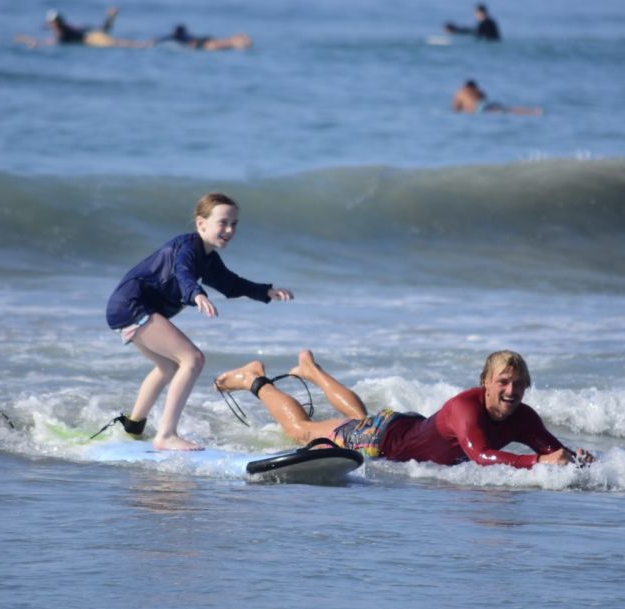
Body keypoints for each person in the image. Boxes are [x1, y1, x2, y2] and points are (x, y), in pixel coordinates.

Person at [105, 192, 294, 451]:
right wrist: (196, 294)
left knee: (168, 367)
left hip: (127, 308)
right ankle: (166, 435)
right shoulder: (187, 247)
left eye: (234, 224)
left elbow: (230, 283)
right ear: (201, 223)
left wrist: (265, 292)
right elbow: (183, 272)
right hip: (133, 306)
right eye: (223, 222)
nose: (229, 229)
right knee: (193, 359)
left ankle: (133, 426)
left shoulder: (208, 258)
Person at [215, 349, 595, 469]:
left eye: (519, 384)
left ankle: (313, 371)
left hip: (401, 427)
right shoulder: (466, 407)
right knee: (303, 430)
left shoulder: (523, 416)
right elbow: (480, 456)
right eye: (503, 382)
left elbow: (550, 449)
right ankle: (254, 379)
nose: (512, 391)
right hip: (381, 440)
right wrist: (536, 464)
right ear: (486, 382)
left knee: (357, 417)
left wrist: (577, 460)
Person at [15, 7, 148, 49]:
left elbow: (52, 42)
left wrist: (31, 42)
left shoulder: (63, 32)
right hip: (91, 37)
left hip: (92, 39)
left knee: (120, 43)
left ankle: (144, 44)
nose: (51, 25)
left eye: (53, 23)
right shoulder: (64, 28)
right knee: (120, 42)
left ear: (56, 23)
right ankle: (143, 44)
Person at [452, 79, 543, 116]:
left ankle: (534, 112)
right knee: (510, 109)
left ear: (465, 85)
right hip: (486, 103)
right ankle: (534, 111)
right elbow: (485, 97)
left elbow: (455, 108)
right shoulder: (477, 90)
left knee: (504, 111)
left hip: (478, 108)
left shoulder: (460, 92)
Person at [154, 23, 252, 51]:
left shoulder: (176, 36)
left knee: (221, 45)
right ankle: (240, 39)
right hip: (202, 39)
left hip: (199, 43)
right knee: (223, 42)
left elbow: (159, 40)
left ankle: (240, 42)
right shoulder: (184, 35)